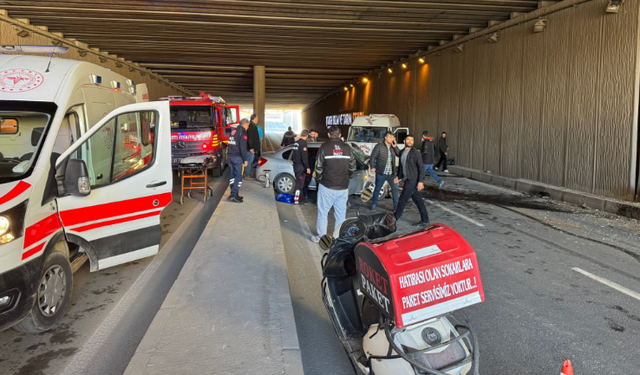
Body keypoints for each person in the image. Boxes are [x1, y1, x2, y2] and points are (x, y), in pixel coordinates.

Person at [311, 126, 356, 243]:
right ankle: (338, 238)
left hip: (327, 186)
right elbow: (353, 167)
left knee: (323, 213)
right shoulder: (347, 148)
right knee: (341, 215)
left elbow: (318, 167)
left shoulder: (324, 147)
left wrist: (320, 180)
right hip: (343, 187)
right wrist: (346, 177)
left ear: (329, 135)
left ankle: (322, 238)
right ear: (340, 135)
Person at [394, 134, 430, 226]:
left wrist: (421, 181)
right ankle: (425, 220)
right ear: (404, 141)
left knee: (402, 200)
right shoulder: (402, 152)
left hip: (413, 180)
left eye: (412, 140)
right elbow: (402, 167)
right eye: (408, 140)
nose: (410, 142)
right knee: (418, 201)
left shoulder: (415, 153)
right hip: (408, 179)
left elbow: (421, 168)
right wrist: (398, 176)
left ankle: (394, 219)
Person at [369, 131, 400, 211]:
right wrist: (373, 166)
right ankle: (373, 205)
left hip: (391, 173)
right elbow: (373, 157)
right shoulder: (379, 146)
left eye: (393, 137)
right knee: (377, 189)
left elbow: (399, 154)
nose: (392, 138)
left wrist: (395, 147)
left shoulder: (393, 147)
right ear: (385, 138)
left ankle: (396, 207)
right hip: (381, 172)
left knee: (395, 189)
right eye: (390, 137)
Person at [227, 119, 250, 203]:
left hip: (230, 156)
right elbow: (243, 148)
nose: (248, 127)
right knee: (238, 176)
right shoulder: (242, 133)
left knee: (232, 176)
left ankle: (234, 194)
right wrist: (245, 159)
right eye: (248, 125)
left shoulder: (234, 131)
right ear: (245, 124)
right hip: (237, 157)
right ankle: (234, 194)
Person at [292, 130, 310, 205]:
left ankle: (302, 199)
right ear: (307, 136)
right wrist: (307, 167)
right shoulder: (303, 144)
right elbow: (304, 157)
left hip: (296, 166)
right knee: (299, 185)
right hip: (300, 167)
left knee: (300, 184)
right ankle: (296, 200)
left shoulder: (296, 143)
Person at [245, 115, 261, 179]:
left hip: (251, 148)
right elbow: (250, 138)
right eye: (257, 118)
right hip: (250, 149)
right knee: (249, 161)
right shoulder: (251, 126)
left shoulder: (253, 125)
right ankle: (247, 175)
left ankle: (247, 173)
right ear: (254, 118)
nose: (257, 120)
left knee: (250, 160)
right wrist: (251, 147)